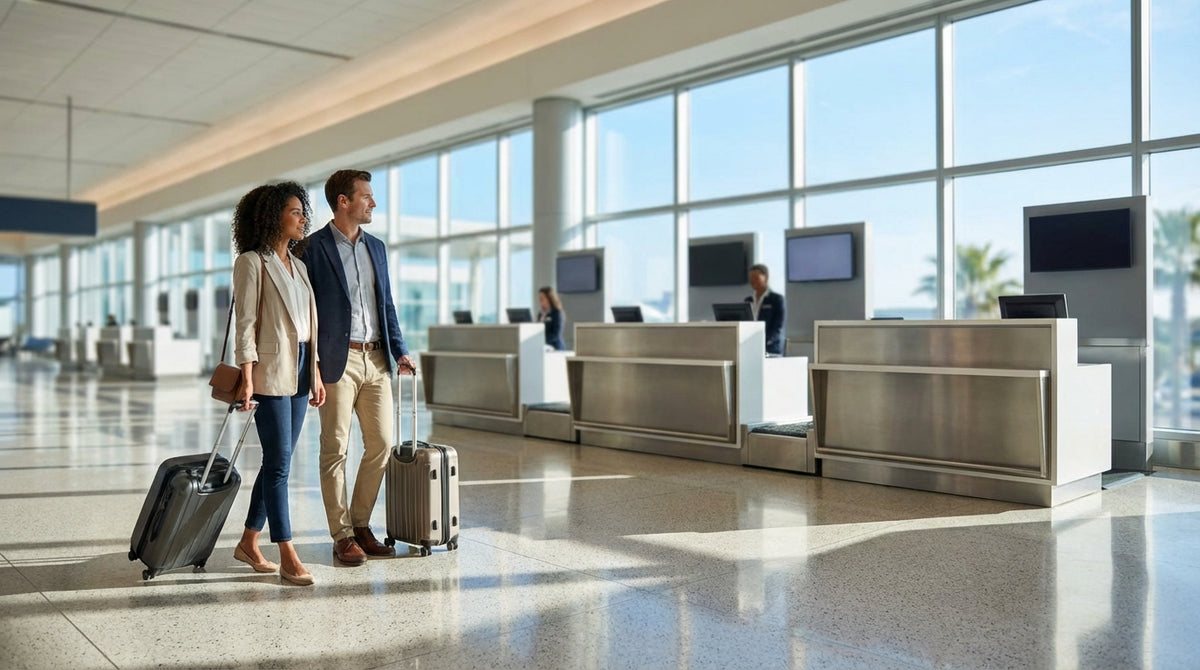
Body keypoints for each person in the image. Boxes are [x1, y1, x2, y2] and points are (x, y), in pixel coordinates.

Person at [300, 169, 415, 567]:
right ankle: (342, 534)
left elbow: (387, 304)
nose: (373, 202)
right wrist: (310, 365)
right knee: (335, 449)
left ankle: (362, 524)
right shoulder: (311, 248)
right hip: (337, 360)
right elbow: (304, 313)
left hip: (377, 358)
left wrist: (398, 350)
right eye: (366, 196)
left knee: (382, 444)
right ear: (343, 201)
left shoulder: (377, 248)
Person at [230, 181, 326, 587]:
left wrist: (316, 371)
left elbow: (308, 327)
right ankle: (287, 552)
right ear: (273, 217)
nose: (303, 218)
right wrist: (247, 379)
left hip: (302, 368)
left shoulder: (299, 267)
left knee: (276, 463)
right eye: (295, 212)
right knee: (281, 465)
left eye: (303, 211)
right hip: (269, 372)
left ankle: (249, 542)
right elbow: (247, 325)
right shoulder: (252, 262)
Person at [744, 263, 785, 355]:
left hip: (771, 347)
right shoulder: (748, 300)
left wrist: (765, 340)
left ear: (765, 278)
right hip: (750, 346)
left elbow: (778, 326)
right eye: (751, 278)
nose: (752, 281)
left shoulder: (776, 299)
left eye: (755, 278)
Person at [537, 286, 566, 351]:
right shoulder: (540, 314)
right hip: (543, 347)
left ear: (549, 298)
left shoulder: (557, 313)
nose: (540, 300)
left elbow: (556, 334)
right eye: (539, 298)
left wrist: (542, 340)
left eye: (542, 298)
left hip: (555, 348)